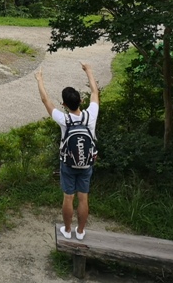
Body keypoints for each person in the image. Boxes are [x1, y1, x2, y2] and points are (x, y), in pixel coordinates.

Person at [35, 62, 99, 241]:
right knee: (83, 198)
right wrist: (89, 70)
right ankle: (80, 232)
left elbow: (45, 101)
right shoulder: (91, 115)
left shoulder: (64, 119)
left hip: (68, 164)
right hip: (87, 163)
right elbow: (95, 92)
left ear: (63, 104)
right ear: (81, 101)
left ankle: (68, 229)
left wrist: (39, 80)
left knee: (68, 197)